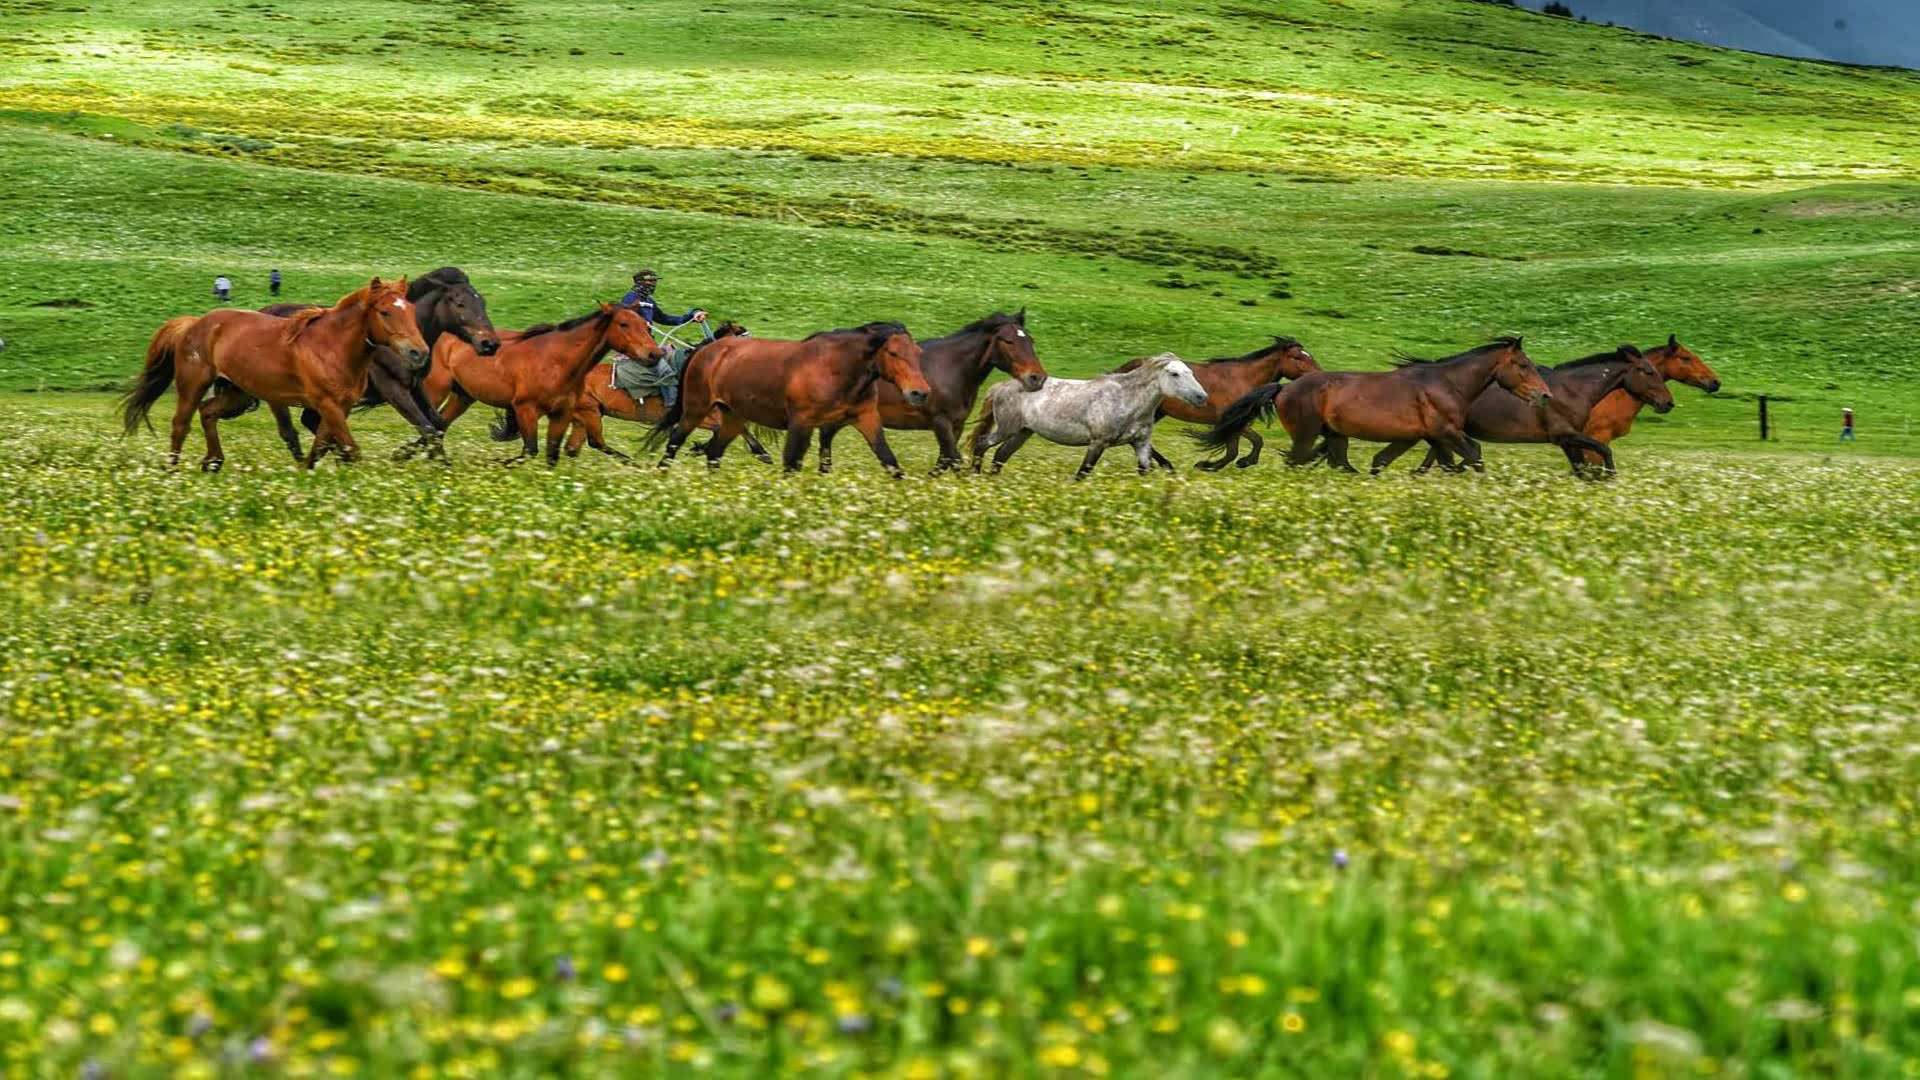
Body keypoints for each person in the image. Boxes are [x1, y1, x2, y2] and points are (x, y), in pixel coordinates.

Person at [617, 270, 707, 408]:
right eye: (650, 281)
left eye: (655, 281)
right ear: (639, 282)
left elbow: (665, 319)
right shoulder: (629, 300)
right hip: (636, 347)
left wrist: (692, 315)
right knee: (664, 370)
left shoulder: (649, 302)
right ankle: (672, 406)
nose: (653, 284)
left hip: (649, 345)